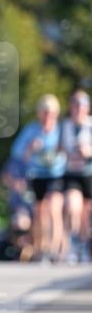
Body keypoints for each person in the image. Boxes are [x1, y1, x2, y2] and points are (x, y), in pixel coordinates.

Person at [10, 95, 66, 263]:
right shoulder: (32, 130)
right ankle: (41, 249)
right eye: (44, 112)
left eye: (51, 113)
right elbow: (17, 153)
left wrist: (62, 150)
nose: (47, 116)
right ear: (39, 113)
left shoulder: (61, 130)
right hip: (37, 175)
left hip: (56, 175)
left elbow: (70, 151)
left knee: (54, 208)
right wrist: (30, 148)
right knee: (39, 212)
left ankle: (56, 249)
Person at [60, 90, 92, 263]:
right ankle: (71, 244)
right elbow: (57, 149)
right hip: (72, 173)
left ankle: (83, 245)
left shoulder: (90, 125)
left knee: (86, 213)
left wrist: (88, 152)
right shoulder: (64, 126)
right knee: (73, 206)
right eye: (75, 105)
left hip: (89, 174)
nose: (78, 109)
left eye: (82, 106)